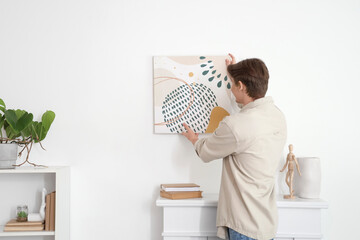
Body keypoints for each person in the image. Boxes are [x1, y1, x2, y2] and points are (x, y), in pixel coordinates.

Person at [182, 53, 287, 240]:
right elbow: (248, 118)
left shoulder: (235, 125)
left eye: (233, 84)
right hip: (266, 224)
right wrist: (236, 75)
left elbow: (206, 152)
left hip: (244, 226)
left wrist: (194, 139)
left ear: (242, 86)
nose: (230, 89)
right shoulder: (276, 116)